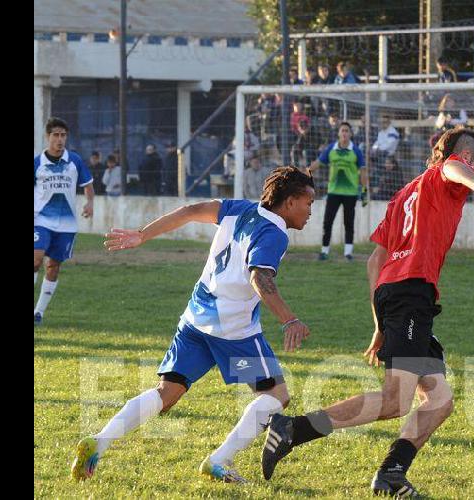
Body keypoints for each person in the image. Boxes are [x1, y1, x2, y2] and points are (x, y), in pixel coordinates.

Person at [260, 128, 474, 497]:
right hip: (411, 294)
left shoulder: (406, 192)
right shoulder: (450, 173)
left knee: (439, 399)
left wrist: (379, 322)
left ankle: (391, 474)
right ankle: (294, 429)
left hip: (397, 296)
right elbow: (454, 169)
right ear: (467, 157)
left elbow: (375, 260)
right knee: (394, 400)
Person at [70, 166, 317, 484]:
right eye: (309, 202)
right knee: (276, 394)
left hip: (195, 320)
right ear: (291, 200)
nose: (311, 210)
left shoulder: (238, 209)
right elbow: (260, 277)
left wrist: (143, 234)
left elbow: (190, 210)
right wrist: (290, 319)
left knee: (167, 392)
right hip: (234, 333)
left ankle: (98, 443)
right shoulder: (275, 233)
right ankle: (218, 461)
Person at [34, 117, 94, 325]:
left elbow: (87, 184)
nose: (60, 139)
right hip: (40, 219)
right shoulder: (37, 164)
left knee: (53, 266)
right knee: (36, 258)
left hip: (67, 224)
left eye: (63, 135)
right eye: (56, 135)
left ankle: (38, 312)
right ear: (47, 137)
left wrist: (89, 203)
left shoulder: (74, 160)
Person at [307, 122, 369, 261]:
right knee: (327, 222)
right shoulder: (331, 149)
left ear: (350, 134)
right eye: (342, 131)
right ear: (339, 133)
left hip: (350, 193)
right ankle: (324, 252)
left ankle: (348, 253)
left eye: (347, 131)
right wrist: (305, 172)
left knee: (349, 223)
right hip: (333, 192)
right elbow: (317, 163)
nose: (345, 133)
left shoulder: (356, 151)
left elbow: (363, 172)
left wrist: (364, 191)